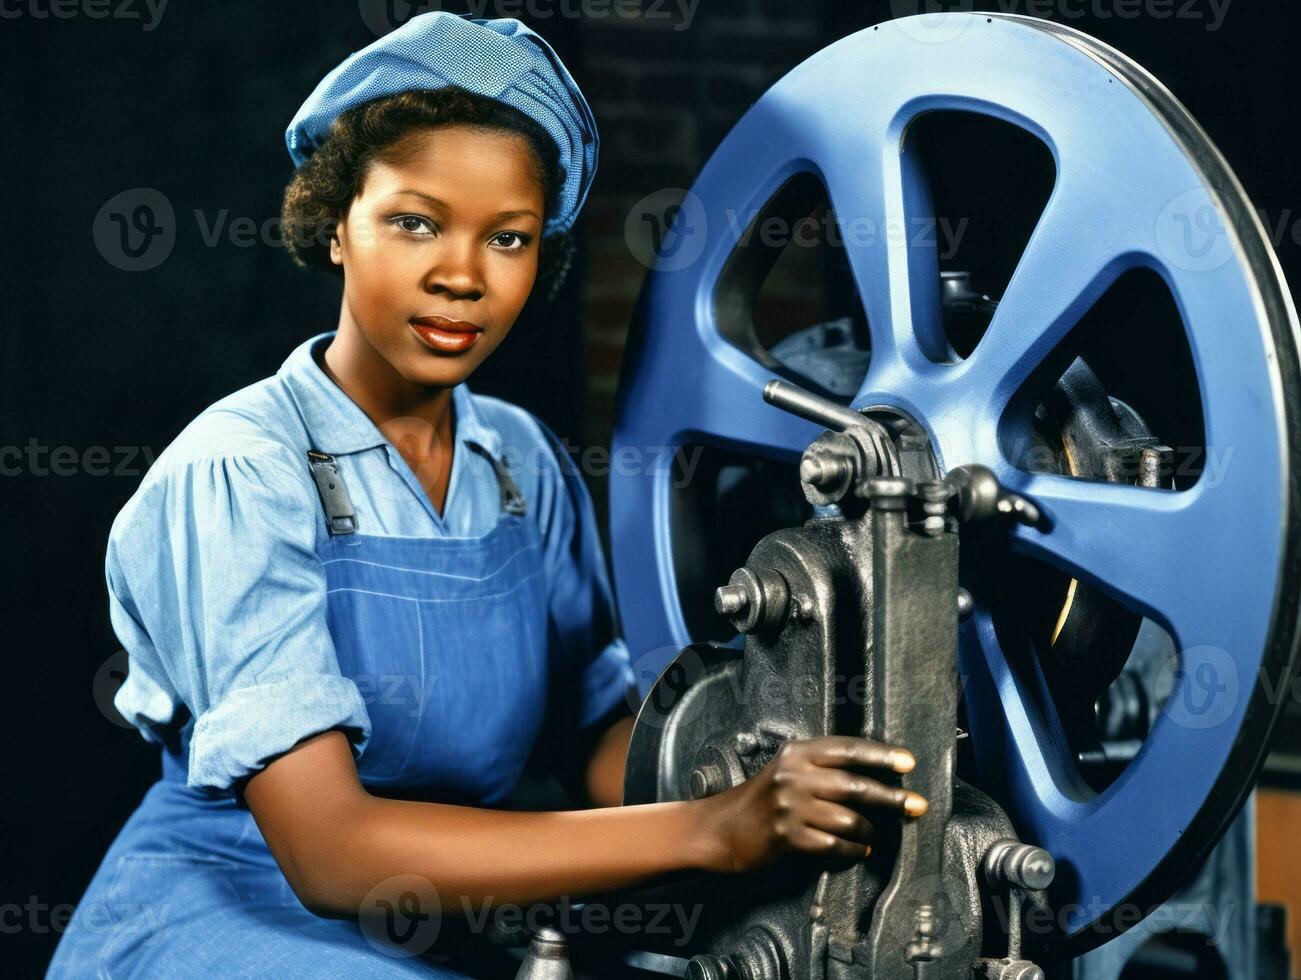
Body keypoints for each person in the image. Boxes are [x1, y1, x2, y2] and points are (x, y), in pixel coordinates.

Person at [47, 12, 927, 978]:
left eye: (507, 238)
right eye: (414, 222)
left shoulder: (517, 463)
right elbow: (330, 852)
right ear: (336, 225)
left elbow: (594, 735)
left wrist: (775, 773)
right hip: (232, 917)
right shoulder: (238, 473)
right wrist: (713, 828)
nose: (461, 276)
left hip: (449, 922)